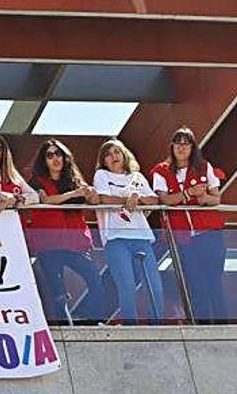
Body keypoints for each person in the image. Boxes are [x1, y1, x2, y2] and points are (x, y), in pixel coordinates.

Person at [150, 127, 226, 323]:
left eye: (186, 143)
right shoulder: (161, 171)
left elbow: (216, 199)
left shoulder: (204, 167)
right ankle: (200, 326)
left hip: (210, 233)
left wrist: (203, 197)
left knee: (214, 281)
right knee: (195, 283)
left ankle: (221, 326)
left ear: (193, 147)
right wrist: (187, 194)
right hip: (183, 238)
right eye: (178, 143)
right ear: (172, 147)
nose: (181, 148)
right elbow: (164, 199)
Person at [27, 139, 107, 322]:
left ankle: (94, 322)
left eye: (58, 154)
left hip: (75, 243)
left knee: (95, 280)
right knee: (58, 292)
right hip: (49, 244)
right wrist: (73, 194)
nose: (55, 158)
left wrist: (91, 193)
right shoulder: (37, 181)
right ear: (44, 160)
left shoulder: (74, 180)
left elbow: (94, 203)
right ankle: (67, 328)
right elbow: (45, 200)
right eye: (50, 155)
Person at [93, 138, 162, 324]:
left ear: (124, 155)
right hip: (115, 237)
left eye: (117, 152)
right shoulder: (101, 175)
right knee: (126, 285)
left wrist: (137, 197)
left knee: (153, 284)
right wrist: (126, 199)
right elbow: (103, 199)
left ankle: (157, 327)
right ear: (103, 160)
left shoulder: (137, 177)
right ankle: (131, 328)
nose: (113, 156)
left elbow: (154, 201)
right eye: (108, 154)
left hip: (141, 236)